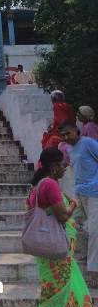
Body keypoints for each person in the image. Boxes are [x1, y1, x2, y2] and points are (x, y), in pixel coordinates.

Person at [26, 147, 98, 307]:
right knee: (55, 300)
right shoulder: (49, 184)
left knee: (77, 293)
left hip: (60, 256)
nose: (66, 168)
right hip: (55, 257)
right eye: (64, 164)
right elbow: (63, 215)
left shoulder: (38, 186)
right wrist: (73, 205)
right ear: (54, 166)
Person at [59, 121, 98, 285]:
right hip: (79, 192)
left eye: (68, 133)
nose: (66, 137)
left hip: (94, 192)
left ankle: (94, 272)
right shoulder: (69, 148)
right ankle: (74, 257)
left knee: (96, 231)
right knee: (69, 224)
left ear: (76, 130)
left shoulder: (88, 143)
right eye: (63, 135)